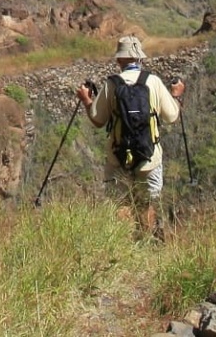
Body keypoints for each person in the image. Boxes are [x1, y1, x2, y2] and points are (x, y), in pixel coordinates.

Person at [76, 36, 184, 239]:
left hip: (118, 158)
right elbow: (172, 116)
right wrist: (176, 95)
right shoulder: (153, 81)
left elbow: (98, 120)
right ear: (139, 59)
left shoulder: (112, 84)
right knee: (147, 204)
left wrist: (86, 100)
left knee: (121, 205)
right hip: (149, 158)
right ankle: (146, 243)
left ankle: (123, 248)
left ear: (119, 60)